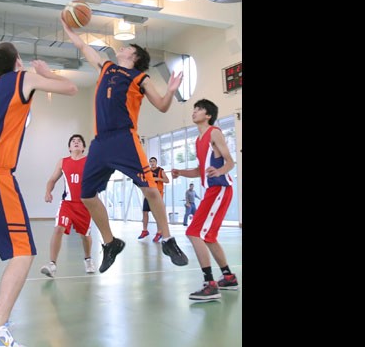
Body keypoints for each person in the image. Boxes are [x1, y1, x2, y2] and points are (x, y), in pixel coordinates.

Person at [0, 41, 78, 346]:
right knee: (23, 251)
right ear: (18, 61)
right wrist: (46, 72)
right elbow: (71, 88)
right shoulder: (23, 78)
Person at [61, 15, 188, 274]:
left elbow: (162, 106)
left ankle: (168, 240)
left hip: (124, 138)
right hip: (100, 141)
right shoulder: (106, 67)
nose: (122, 47)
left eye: (128, 47)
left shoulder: (140, 78)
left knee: (150, 189)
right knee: (86, 195)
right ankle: (111, 243)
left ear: (134, 56)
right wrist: (68, 27)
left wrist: (171, 90)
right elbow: (83, 46)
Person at [171, 99, 239, 302]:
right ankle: (228, 277)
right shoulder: (198, 140)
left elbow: (230, 162)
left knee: (193, 232)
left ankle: (210, 284)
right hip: (213, 191)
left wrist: (219, 171)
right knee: (208, 236)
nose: (194, 112)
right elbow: (199, 170)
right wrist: (180, 172)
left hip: (220, 189)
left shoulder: (214, 132)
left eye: (199, 109)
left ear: (208, 115)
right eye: (194, 109)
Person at [40, 133, 96, 278]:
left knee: (85, 235)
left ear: (83, 147)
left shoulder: (89, 161)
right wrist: (48, 192)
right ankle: (52, 264)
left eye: (79, 141)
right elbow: (52, 180)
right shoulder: (63, 162)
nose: (76, 142)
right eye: (73, 141)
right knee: (58, 228)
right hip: (67, 204)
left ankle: (88, 259)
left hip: (84, 204)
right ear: (69, 148)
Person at [138, 157, 169, 242]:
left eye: (153, 161)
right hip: (148, 194)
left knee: (157, 214)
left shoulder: (160, 170)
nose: (152, 163)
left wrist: (158, 179)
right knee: (145, 212)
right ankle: (145, 230)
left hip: (157, 195)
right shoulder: (147, 171)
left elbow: (167, 180)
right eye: (151, 161)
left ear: (156, 162)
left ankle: (159, 232)